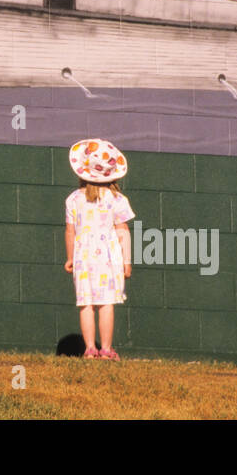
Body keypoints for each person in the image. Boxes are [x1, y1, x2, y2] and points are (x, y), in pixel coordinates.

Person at [64, 138, 134, 360]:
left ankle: (89, 349)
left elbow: (70, 232)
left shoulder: (73, 199)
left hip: (83, 257)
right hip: (109, 258)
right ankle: (105, 349)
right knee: (106, 304)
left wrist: (69, 257)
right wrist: (127, 261)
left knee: (86, 304)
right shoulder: (117, 199)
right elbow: (123, 231)